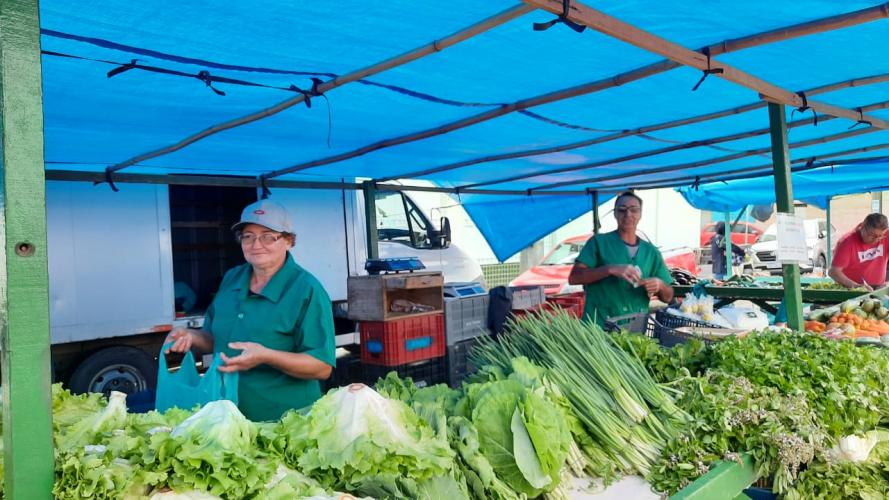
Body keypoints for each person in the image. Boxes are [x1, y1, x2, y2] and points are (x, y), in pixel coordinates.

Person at [166, 199, 335, 421]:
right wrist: (192, 336)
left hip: (285, 421)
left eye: (268, 236)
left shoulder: (306, 289)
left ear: (288, 241)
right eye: (248, 236)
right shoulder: (232, 278)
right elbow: (216, 339)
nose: (256, 244)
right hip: (226, 415)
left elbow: (321, 367)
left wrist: (266, 356)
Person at [568, 191, 674, 325]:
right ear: (615, 214)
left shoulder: (651, 253)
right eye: (622, 210)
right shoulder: (598, 243)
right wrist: (610, 269)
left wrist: (660, 285)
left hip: (635, 332)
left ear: (640, 214)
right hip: (599, 328)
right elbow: (574, 277)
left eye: (634, 210)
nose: (628, 214)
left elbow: (669, 296)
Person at [828, 213, 889, 290]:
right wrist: (857, 287)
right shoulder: (847, 242)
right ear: (863, 226)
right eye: (872, 235)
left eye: (880, 236)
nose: (876, 239)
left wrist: (887, 283)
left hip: (879, 288)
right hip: (851, 290)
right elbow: (833, 272)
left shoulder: (887, 235)